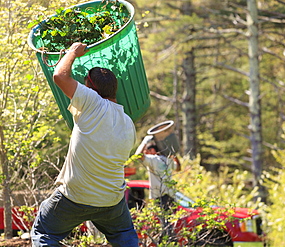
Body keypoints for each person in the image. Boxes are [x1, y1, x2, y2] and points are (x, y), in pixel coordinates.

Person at [31, 42, 139, 247]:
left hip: (75, 196)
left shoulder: (92, 102)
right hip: (111, 200)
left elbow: (60, 76)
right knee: (124, 234)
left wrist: (72, 52)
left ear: (90, 88)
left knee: (44, 233)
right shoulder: (128, 122)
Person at [136, 139, 181, 211]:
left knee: (163, 221)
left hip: (159, 197)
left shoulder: (153, 159)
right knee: (171, 220)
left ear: (152, 150)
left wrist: (145, 141)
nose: (145, 153)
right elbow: (178, 168)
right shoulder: (167, 160)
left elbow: (138, 155)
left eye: (146, 151)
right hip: (171, 196)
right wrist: (173, 154)